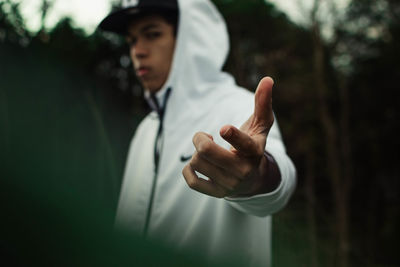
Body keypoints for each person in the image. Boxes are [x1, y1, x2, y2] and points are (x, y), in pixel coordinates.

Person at [99, 0, 296, 266]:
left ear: (191, 39)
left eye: (152, 34)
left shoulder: (236, 105)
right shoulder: (146, 128)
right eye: (132, 40)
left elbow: (280, 180)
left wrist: (257, 177)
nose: (138, 51)